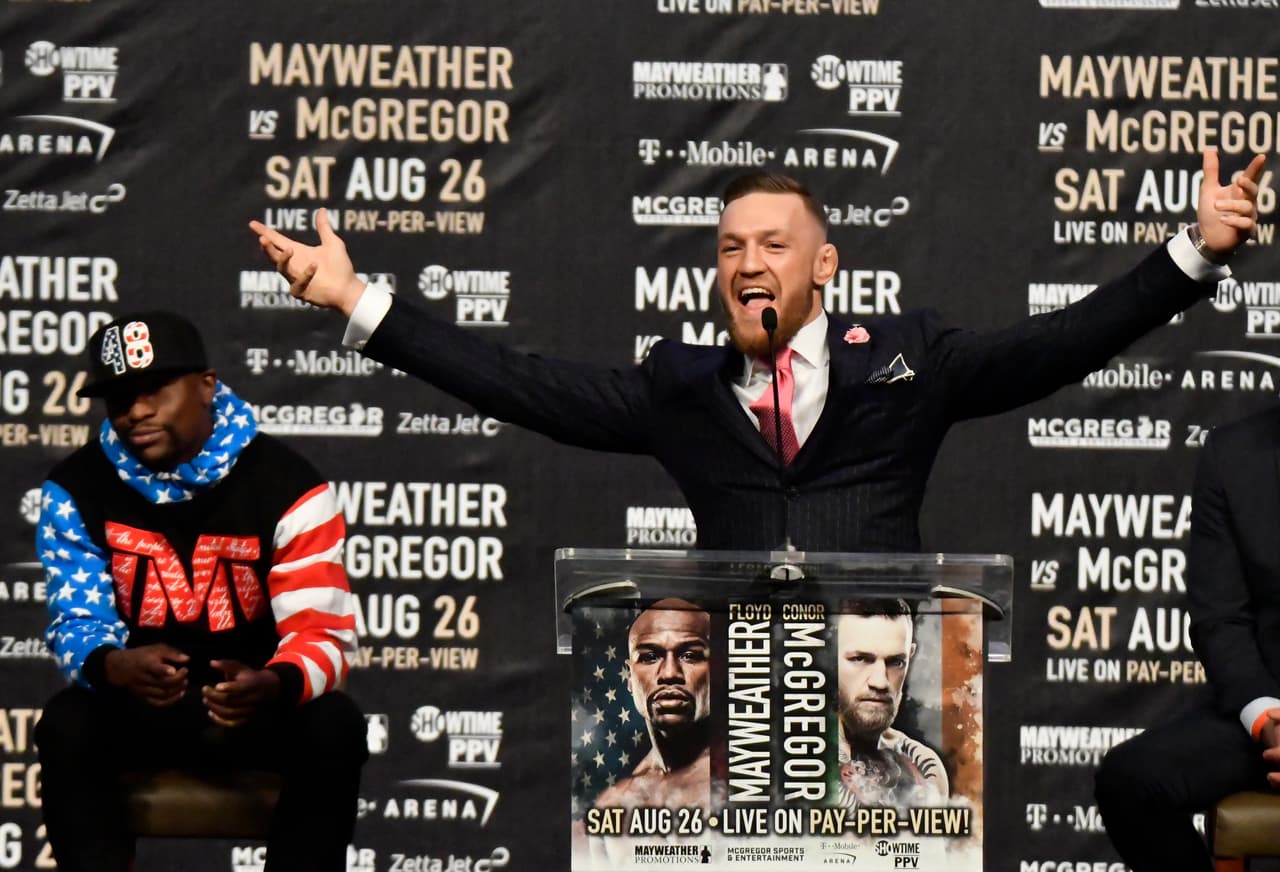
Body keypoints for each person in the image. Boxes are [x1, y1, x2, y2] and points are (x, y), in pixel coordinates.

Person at [249, 148, 1264, 553]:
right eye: (729, 246)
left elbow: (1059, 342)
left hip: (885, 684)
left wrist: (1187, 255)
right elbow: (518, 384)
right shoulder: (679, 385)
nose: (746, 260)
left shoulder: (910, 361)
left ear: (824, 266)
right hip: (734, 695)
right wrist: (360, 302)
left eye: (771, 245)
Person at [33, 311, 367, 872]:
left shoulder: (290, 487)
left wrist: (275, 682)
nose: (135, 412)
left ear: (207, 386)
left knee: (334, 724)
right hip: (138, 709)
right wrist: (110, 664)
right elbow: (76, 620)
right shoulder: (74, 489)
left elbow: (323, 635)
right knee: (68, 721)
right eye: (117, 399)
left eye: (153, 391)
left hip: (253, 708)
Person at [1095, 408, 1280, 871]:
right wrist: (1268, 719)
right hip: (1272, 706)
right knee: (1132, 781)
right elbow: (1220, 617)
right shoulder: (1234, 454)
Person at [595, 598, 712, 814]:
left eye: (690, 655)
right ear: (630, 678)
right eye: (650, 657)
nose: (669, 674)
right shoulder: (615, 805)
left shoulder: (753, 779)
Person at [836, 599, 947, 808]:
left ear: (910, 655)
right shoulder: (791, 760)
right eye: (860, 659)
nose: (881, 681)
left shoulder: (922, 766)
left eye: (896, 662)